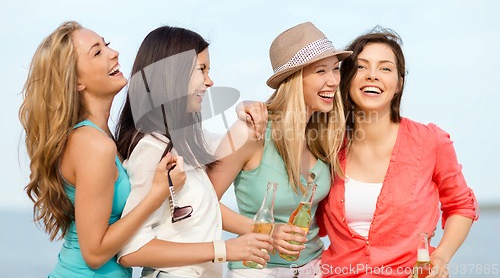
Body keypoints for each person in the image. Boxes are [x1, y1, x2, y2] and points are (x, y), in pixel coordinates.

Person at [317, 27, 478, 278]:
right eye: (361, 67)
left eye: (385, 68)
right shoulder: (325, 144)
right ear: (346, 78)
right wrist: (257, 111)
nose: (372, 76)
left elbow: (460, 205)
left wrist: (440, 256)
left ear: (399, 83)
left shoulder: (430, 141)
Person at [19, 21, 176, 278]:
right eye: (97, 52)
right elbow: (94, 254)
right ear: (77, 81)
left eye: (107, 45)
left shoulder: (98, 138)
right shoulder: (94, 145)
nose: (113, 53)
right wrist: (156, 195)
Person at [114, 25, 274, 278]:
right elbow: (131, 250)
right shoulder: (151, 150)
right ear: (172, 75)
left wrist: (246, 109)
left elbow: (235, 141)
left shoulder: (185, 143)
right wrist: (224, 250)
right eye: (202, 69)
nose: (210, 81)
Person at [208, 22, 352, 278]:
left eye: (335, 70)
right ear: (293, 79)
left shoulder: (325, 134)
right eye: (320, 71)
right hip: (257, 270)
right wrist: (265, 230)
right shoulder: (250, 132)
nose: (333, 81)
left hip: (314, 269)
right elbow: (201, 202)